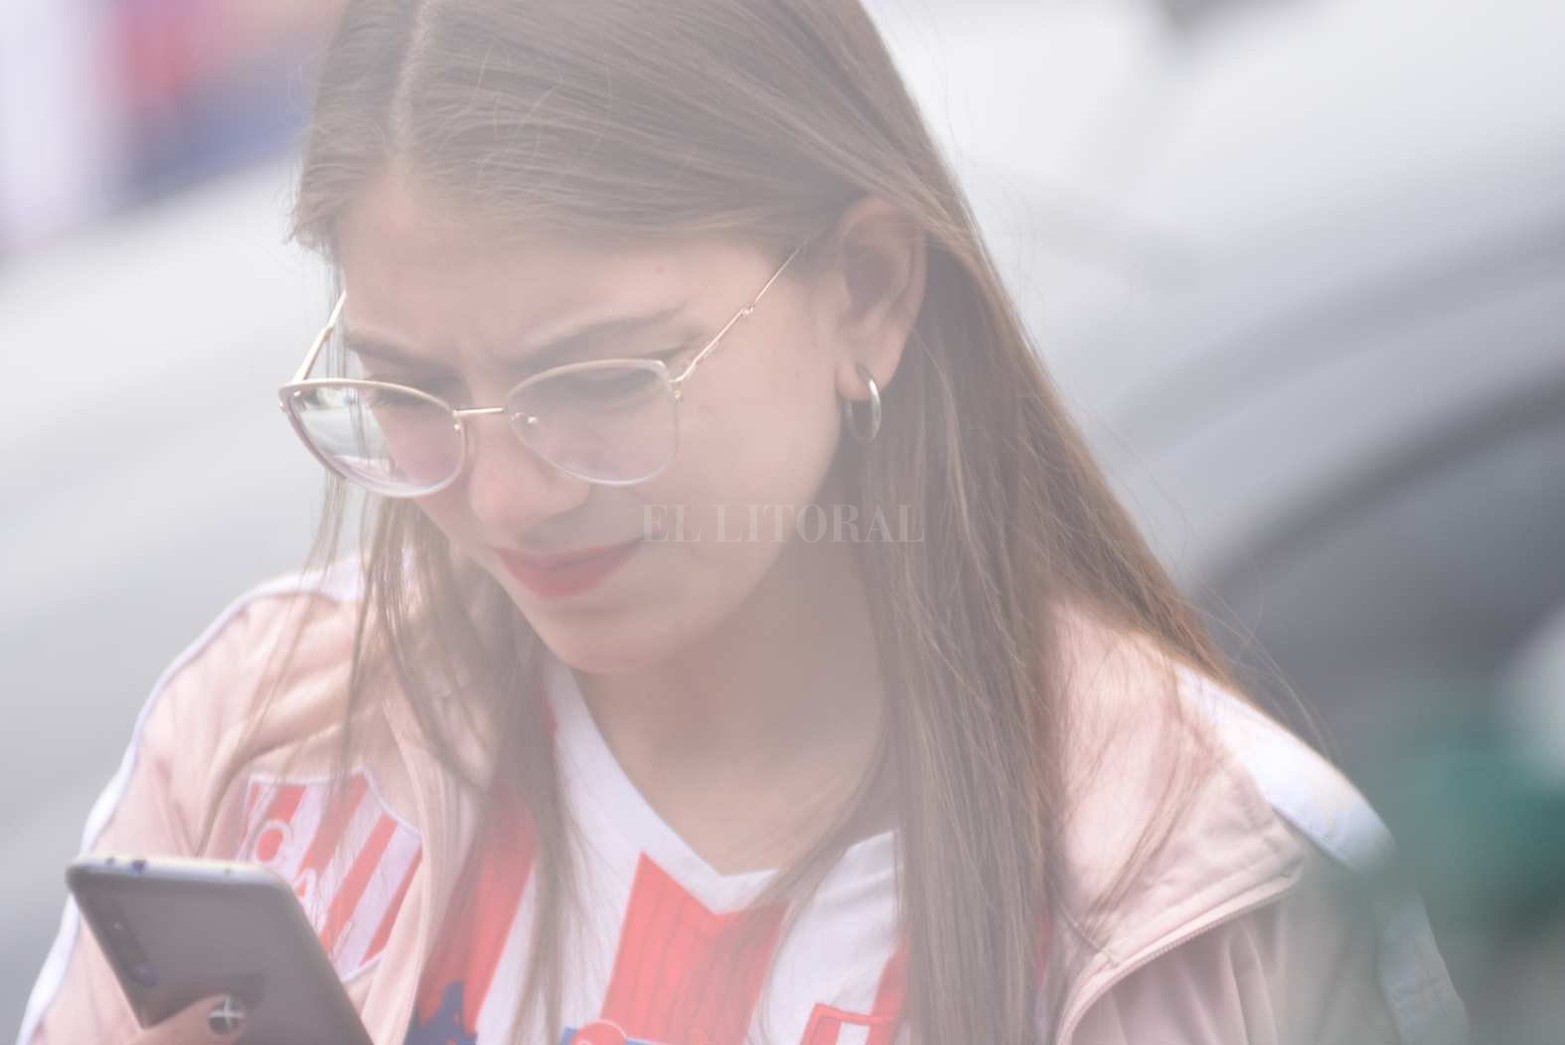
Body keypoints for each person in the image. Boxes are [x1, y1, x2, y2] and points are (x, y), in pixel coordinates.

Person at [16, 2, 1466, 1043]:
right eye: (408, 389)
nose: (506, 493)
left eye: (596, 380)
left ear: (868, 292)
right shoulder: (263, 751)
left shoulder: (1196, 890)